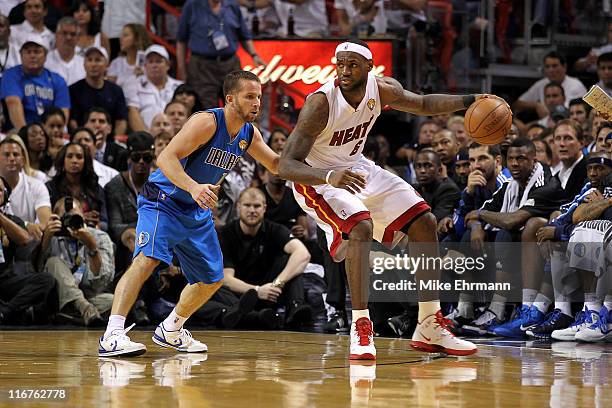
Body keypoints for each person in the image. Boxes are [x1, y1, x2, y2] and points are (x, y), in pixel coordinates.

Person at [278, 40, 485, 359]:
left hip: (355, 166)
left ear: (369, 68)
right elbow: (285, 165)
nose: (344, 71)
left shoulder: (382, 89)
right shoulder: (321, 103)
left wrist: (472, 99)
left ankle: (429, 323)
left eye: (352, 65)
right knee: (360, 226)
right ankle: (361, 326)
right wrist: (329, 177)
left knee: (424, 222)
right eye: (341, 64)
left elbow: (424, 104)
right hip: (316, 177)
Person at [98, 70, 280, 357]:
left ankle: (171, 328)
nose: (256, 103)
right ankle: (112, 334)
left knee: (211, 278)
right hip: (164, 201)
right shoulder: (206, 122)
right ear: (230, 99)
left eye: (258, 97)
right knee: (147, 260)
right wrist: (194, 187)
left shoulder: (248, 134)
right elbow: (165, 157)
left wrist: (325, 168)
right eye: (249, 97)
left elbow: (278, 165)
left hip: (195, 210)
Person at [176, 0, 265, 109]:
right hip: (202, 67)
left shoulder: (232, 5)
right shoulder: (192, 5)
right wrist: (182, 70)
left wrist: (254, 55)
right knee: (207, 110)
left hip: (230, 64)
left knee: (237, 106)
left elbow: (244, 36)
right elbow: (181, 40)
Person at [1, 33, 70, 129]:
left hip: (49, 132)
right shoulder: (11, 75)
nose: (32, 56)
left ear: (45, 55)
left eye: (37, 52)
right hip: (18, 131)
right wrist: (25, 134)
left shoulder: (58, 80)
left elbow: (62, 114)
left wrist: (52, 134)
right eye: (28, 52)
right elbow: (13, 103)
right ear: (21, 55)